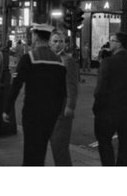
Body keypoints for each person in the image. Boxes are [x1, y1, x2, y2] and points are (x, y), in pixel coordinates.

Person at [2, 24, 66, 166]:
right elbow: (62, 91)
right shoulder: (59, 61)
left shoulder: (29, 58)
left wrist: (7, 109)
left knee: (30, 149)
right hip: (51, 114)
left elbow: (16, 85)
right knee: (41, 147)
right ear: (49, 38)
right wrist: (58, 111)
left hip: (32, 112)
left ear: (36, 37)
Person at [93, 32, 127, 166]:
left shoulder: (107, 62)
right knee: (125, 142)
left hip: (107, 110)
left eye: (112, 40)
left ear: (119, 44)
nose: (110, 43)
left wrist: (97, 108)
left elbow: (100, 90)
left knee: (104, 142)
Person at [48, 30, 79, 166]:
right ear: (49, 43)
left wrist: (70, 106)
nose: (58, 44)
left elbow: (72, 85)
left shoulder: (68, 60)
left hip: (62, 109)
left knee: (59, 145)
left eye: (61, 41)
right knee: (54, 145)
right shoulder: (48, 58)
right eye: (55, 41)